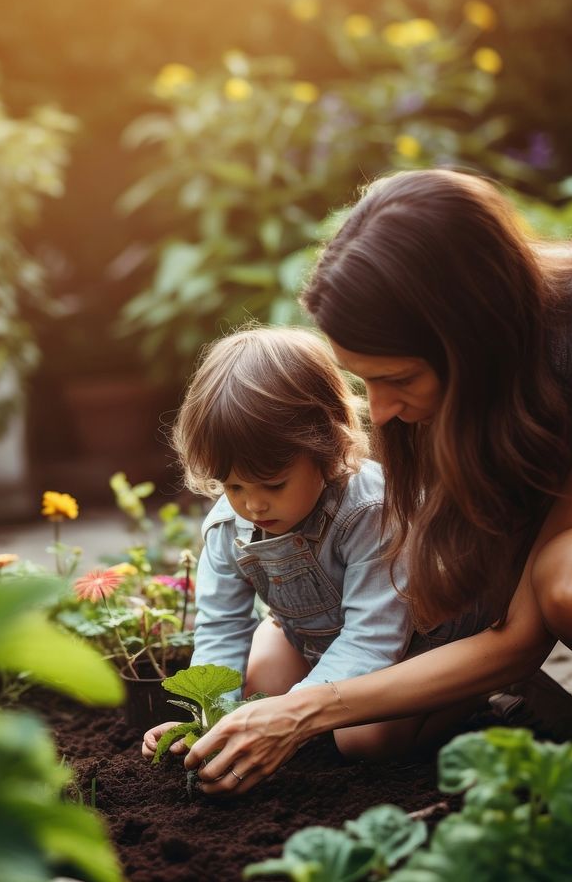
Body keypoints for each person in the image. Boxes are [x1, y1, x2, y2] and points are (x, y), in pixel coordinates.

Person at [176, 169, 572, 805]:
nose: (377, 412)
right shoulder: (491, 356)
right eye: (363, 380)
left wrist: (304, 712)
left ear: (468, 336)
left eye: (398, 378)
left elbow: (523, 631)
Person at [142, 325, 420, 764]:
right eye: (233, 485)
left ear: (327, 447)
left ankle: (472, 705)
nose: (252, 504)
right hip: (311, 637)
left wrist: (290, 714)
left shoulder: (369, 509)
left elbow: (373, 640)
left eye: (273, 484)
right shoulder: (228, 526)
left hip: (408, 646)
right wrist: (206, 721)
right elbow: (220, 629)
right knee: (255, 690)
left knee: (362, 742)